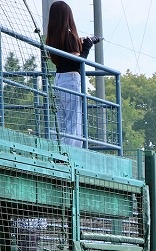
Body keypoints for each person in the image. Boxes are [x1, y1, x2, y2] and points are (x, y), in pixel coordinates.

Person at [46, 1, 101, 147]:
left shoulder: (52, 38)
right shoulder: (69, 37)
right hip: (71, 80)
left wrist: (80, 44)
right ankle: (72, 152)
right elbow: (77, 63)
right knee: (74, 120)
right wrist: (87, 46)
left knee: (60, 120)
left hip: (59, 80)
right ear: (67, 17)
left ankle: (56, 149)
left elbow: (66, 59)